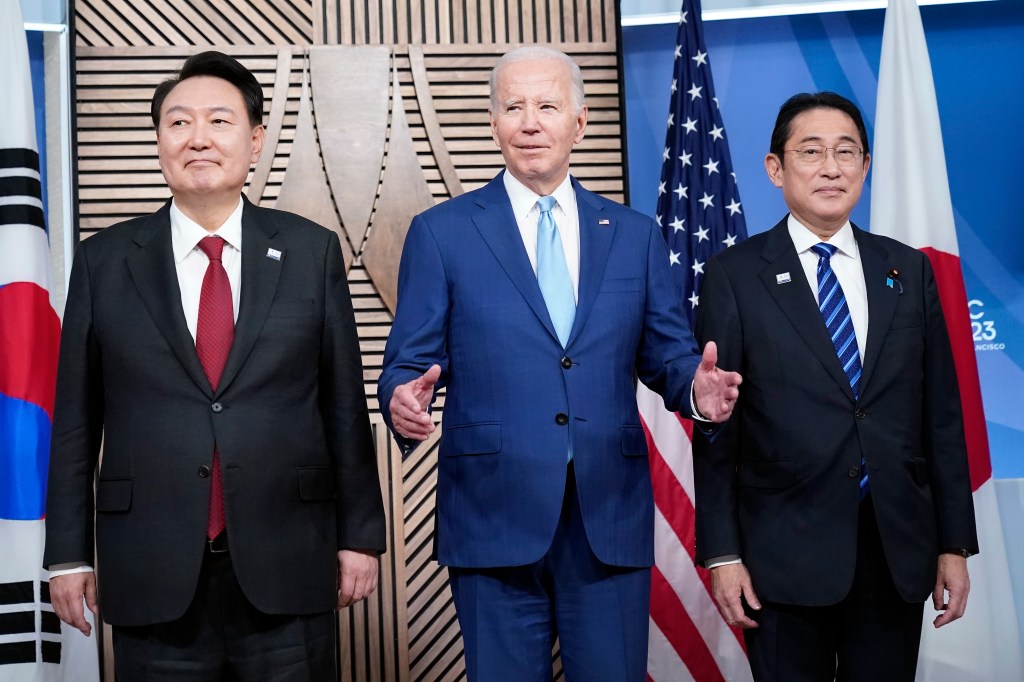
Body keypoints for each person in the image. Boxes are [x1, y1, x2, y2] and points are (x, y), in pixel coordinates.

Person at [377, 46, 741, 681]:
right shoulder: (443, 232)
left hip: (608, 511)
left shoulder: (632, 234)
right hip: (492, 512)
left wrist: (694, 391)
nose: (529, 122)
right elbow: (407, 362)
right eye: (513, 107)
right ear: (493, 123)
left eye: (547, 106)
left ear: (579, 120)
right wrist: (403, 400)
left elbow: (667, 355)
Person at [43, 51, 386, 680]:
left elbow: (342, 404)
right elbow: (74, 421)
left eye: (219, 122)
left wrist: (359, 535)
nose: (197, 138)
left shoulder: (311, 252)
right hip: (151, 562)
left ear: (255, 141)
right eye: (178, 123)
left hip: (289, 555)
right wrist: (68, 556)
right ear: (159, 142)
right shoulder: (105, 261)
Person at [693, 91, 978, 681]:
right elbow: (721, 430)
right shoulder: (735, 275)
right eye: (812, 151)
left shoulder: (907, 268)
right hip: (782, 558)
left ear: (866, 167)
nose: (831, 167)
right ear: (775, 168)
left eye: (847, 152)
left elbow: (940, 416)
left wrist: (954, 544)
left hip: (895, 551)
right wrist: (722, 553)